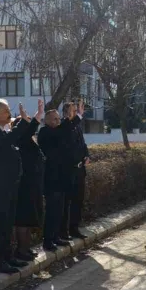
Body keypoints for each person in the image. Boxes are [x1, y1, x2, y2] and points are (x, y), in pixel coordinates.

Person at [0, 99, 43, 274]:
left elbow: (16, 137)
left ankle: (8, 257)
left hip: (11, 185)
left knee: (8, 223)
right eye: (6, 111)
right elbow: (7, 141)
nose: (9, 113)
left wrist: (31, 119)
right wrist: (22, 122)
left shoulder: (4, 131)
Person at [13, 116, 44, 261]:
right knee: (22, 219)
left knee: (31, 218)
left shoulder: (30, 140)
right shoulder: (20, 139)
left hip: (33, 184)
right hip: (23, 185)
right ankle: (21, 249)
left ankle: (27, 247)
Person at [37, 109, 68, 251]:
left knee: (59, 210)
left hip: (61, 178)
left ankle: (56, 236)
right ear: (47, 120)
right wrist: (72, 120)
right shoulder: (44, 132)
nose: (57, 121)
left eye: (58, 119)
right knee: (51, 211)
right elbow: (58, 134)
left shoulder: (59, 133)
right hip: (50, 180)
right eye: (54, 119)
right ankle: (48, 240)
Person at [60, 100, 90, 241]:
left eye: (76, 110)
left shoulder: (77, 127)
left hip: (79, 170)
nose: (76, 112)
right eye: (73, 110)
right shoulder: (63, 126)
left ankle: (74, 228)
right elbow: (67, 133)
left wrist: (87, 156)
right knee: (66, 203)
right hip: (68, 171)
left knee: (78, 201)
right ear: (66, 112)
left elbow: (82, 144)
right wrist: (78, 116)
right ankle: (63, 232)